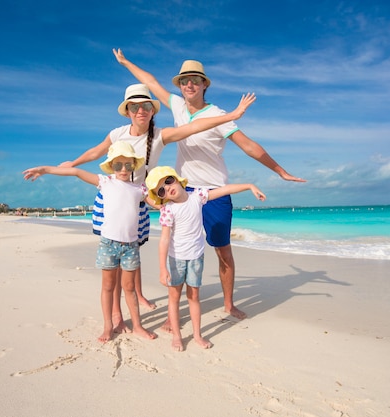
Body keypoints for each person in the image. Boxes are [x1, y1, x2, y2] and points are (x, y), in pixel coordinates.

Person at [113, 48, 306, 321]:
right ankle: (173, 313)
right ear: (180, 85)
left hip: (214, 192)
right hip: (182, 191)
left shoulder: (218, 115)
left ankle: (228, 305)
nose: (188, 84)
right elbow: (152, 82)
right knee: (178, 252)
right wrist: (125, 62)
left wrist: (279, 171)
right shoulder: (178, 106)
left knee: (222, 250)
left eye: (194, 79)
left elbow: (249, 146)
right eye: (183, 80)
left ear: (204, 84)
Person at [60, 83, 256, 333]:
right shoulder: (118, 133)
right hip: (115, 200)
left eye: (145, 106)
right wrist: (73, 163)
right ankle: (117, 314)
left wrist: (231, 116)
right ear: (127, 110)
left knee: (131, 252)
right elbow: (96, 152)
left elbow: (193, 127)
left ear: (152, 110)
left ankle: (137, 297)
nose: (140, 110)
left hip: (140, 199)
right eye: (134, 106)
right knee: (115, 255)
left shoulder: (160, 135)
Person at [23, 142, 158, 343]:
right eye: (118, 165)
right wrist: (46, 170)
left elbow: (160, 204)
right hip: (108, 245)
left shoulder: (138, 189)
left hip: (131, 246)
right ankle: (108, 326)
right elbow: (76, 172)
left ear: (133, 166)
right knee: (108, 287)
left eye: (128, 165)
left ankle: (137, 326)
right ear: (111, 165)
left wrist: (186, 199)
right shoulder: (105, 182)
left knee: (129, 288)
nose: (123, 169)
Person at [145, 166, 266, 351]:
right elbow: (164, 240)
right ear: (162, 196)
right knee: (174, 297)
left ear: (176, 179)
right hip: (176, 259)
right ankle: (177, 336)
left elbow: (224, 190)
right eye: (161, 190)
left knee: (194, 297)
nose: (167, 188)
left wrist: (249, 185)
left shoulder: (198, 197)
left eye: (168, 181)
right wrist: (162, 268)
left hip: (195, 258)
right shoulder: (168, 210)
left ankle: (197, 335)